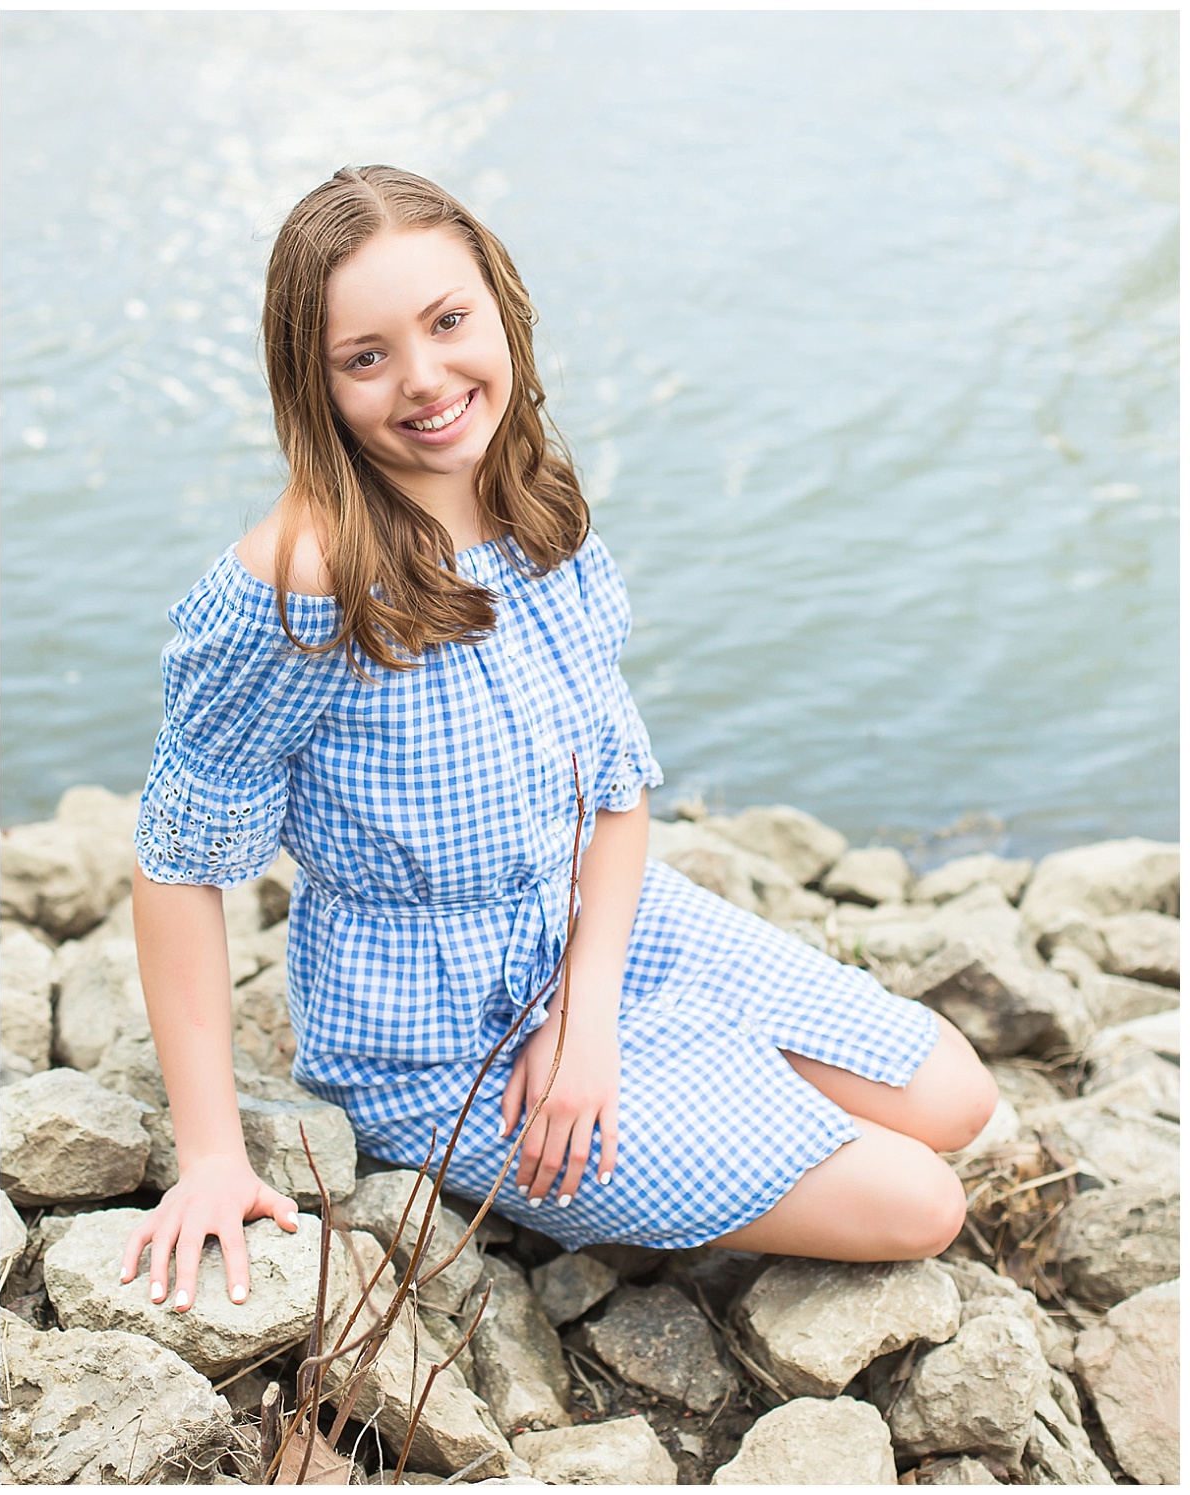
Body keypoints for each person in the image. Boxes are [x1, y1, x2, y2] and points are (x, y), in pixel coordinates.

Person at [121, 165, 998, 1312]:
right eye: (366, 355)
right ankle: (670, 1118)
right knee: (919, 1205)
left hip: (606, 935)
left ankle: (685, 1087)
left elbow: (618, 794)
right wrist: (212, 1156)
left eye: (447, 322)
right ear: (315, 382)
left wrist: (585, 1023)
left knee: (956, 1099)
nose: (426, 381)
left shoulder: (528, 496)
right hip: (438, 1035)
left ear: (501, 306)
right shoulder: (304, 580)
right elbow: (176, 862)